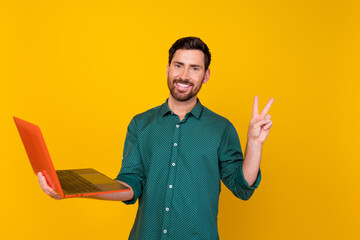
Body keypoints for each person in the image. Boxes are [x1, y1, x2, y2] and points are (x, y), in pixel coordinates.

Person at [38, 36, 274, 239]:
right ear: (167, 69)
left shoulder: (221, 128)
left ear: (206, 75)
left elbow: (242, 187)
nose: (184, 75)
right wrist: (75, 189)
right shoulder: (141, 124)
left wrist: (254, 144)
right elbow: (130, 185)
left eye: (194, 68)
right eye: (178, 65)